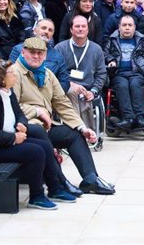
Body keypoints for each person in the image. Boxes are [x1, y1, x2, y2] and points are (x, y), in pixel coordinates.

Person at [11, 37, 115, 195]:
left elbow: (62, 103)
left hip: (45, 126)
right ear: (23, 52)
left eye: (40, 53)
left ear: (45, 55)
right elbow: (11, 106)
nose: (36, 56)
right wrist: (37, 111)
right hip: (23, 128)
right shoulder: (13, 73)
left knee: (74, 134)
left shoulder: (47, 74)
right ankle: (60, 183)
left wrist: (81, 127)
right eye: (32, 52)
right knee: (40, 136)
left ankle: (90, 179)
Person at [0, 59, 74, 210]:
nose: (15, 76)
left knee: (44, 145)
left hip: (7, 140)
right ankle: (36, 196)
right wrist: (13, 138)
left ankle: (55, 188)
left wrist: (22, 123)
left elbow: (19, 114)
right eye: (11, 73)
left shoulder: (8, 93)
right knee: (35, 152)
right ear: (0, 77)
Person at [104, 15, 144, 130]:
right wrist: (111, 60)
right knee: (122, 86)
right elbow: (103, 54)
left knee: (135, 84)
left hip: (137, 73)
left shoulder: (141, 40)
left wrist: (142, 57)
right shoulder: (112, 40)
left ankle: (140, 117)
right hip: (118, 73)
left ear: (134, 27)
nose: (127, 28)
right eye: (124, 25)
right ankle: (128, 117)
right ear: (119, 27)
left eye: (130, 25)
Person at [55, 15, 107, 132]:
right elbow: (55, 73)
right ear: (71, 30)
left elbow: (101, 74)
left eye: (83, 26)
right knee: (73, 92)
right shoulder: (60, 48)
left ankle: (85, 132)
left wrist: (93, 91)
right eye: (77, 26)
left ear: (88, 30)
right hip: (67, 88)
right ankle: (79, 131)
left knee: (84, 97)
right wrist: (70, 84)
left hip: (88, 89)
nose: (80, 29)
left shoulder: (96, 49)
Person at [10, 19, 72, 95]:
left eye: (50, 30)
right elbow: (10, 75)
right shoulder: (19, 50)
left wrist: (51, 93)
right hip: (24, 96)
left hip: (49, 97)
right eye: (43, 28)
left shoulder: (57, 56)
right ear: (35, 30)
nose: (46, 32)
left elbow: (65, 81)